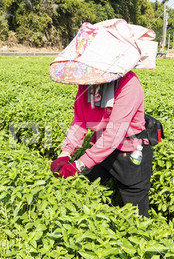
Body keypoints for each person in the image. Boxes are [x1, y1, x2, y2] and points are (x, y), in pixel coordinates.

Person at [49, 19, 157, 218]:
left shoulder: (129, 85)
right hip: (101, 149)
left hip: (129, 152)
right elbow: (79, 121)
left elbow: (114, 135)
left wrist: (77, 165)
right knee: (83, 190)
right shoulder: (87, 83)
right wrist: (65, 153)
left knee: (135, 211)